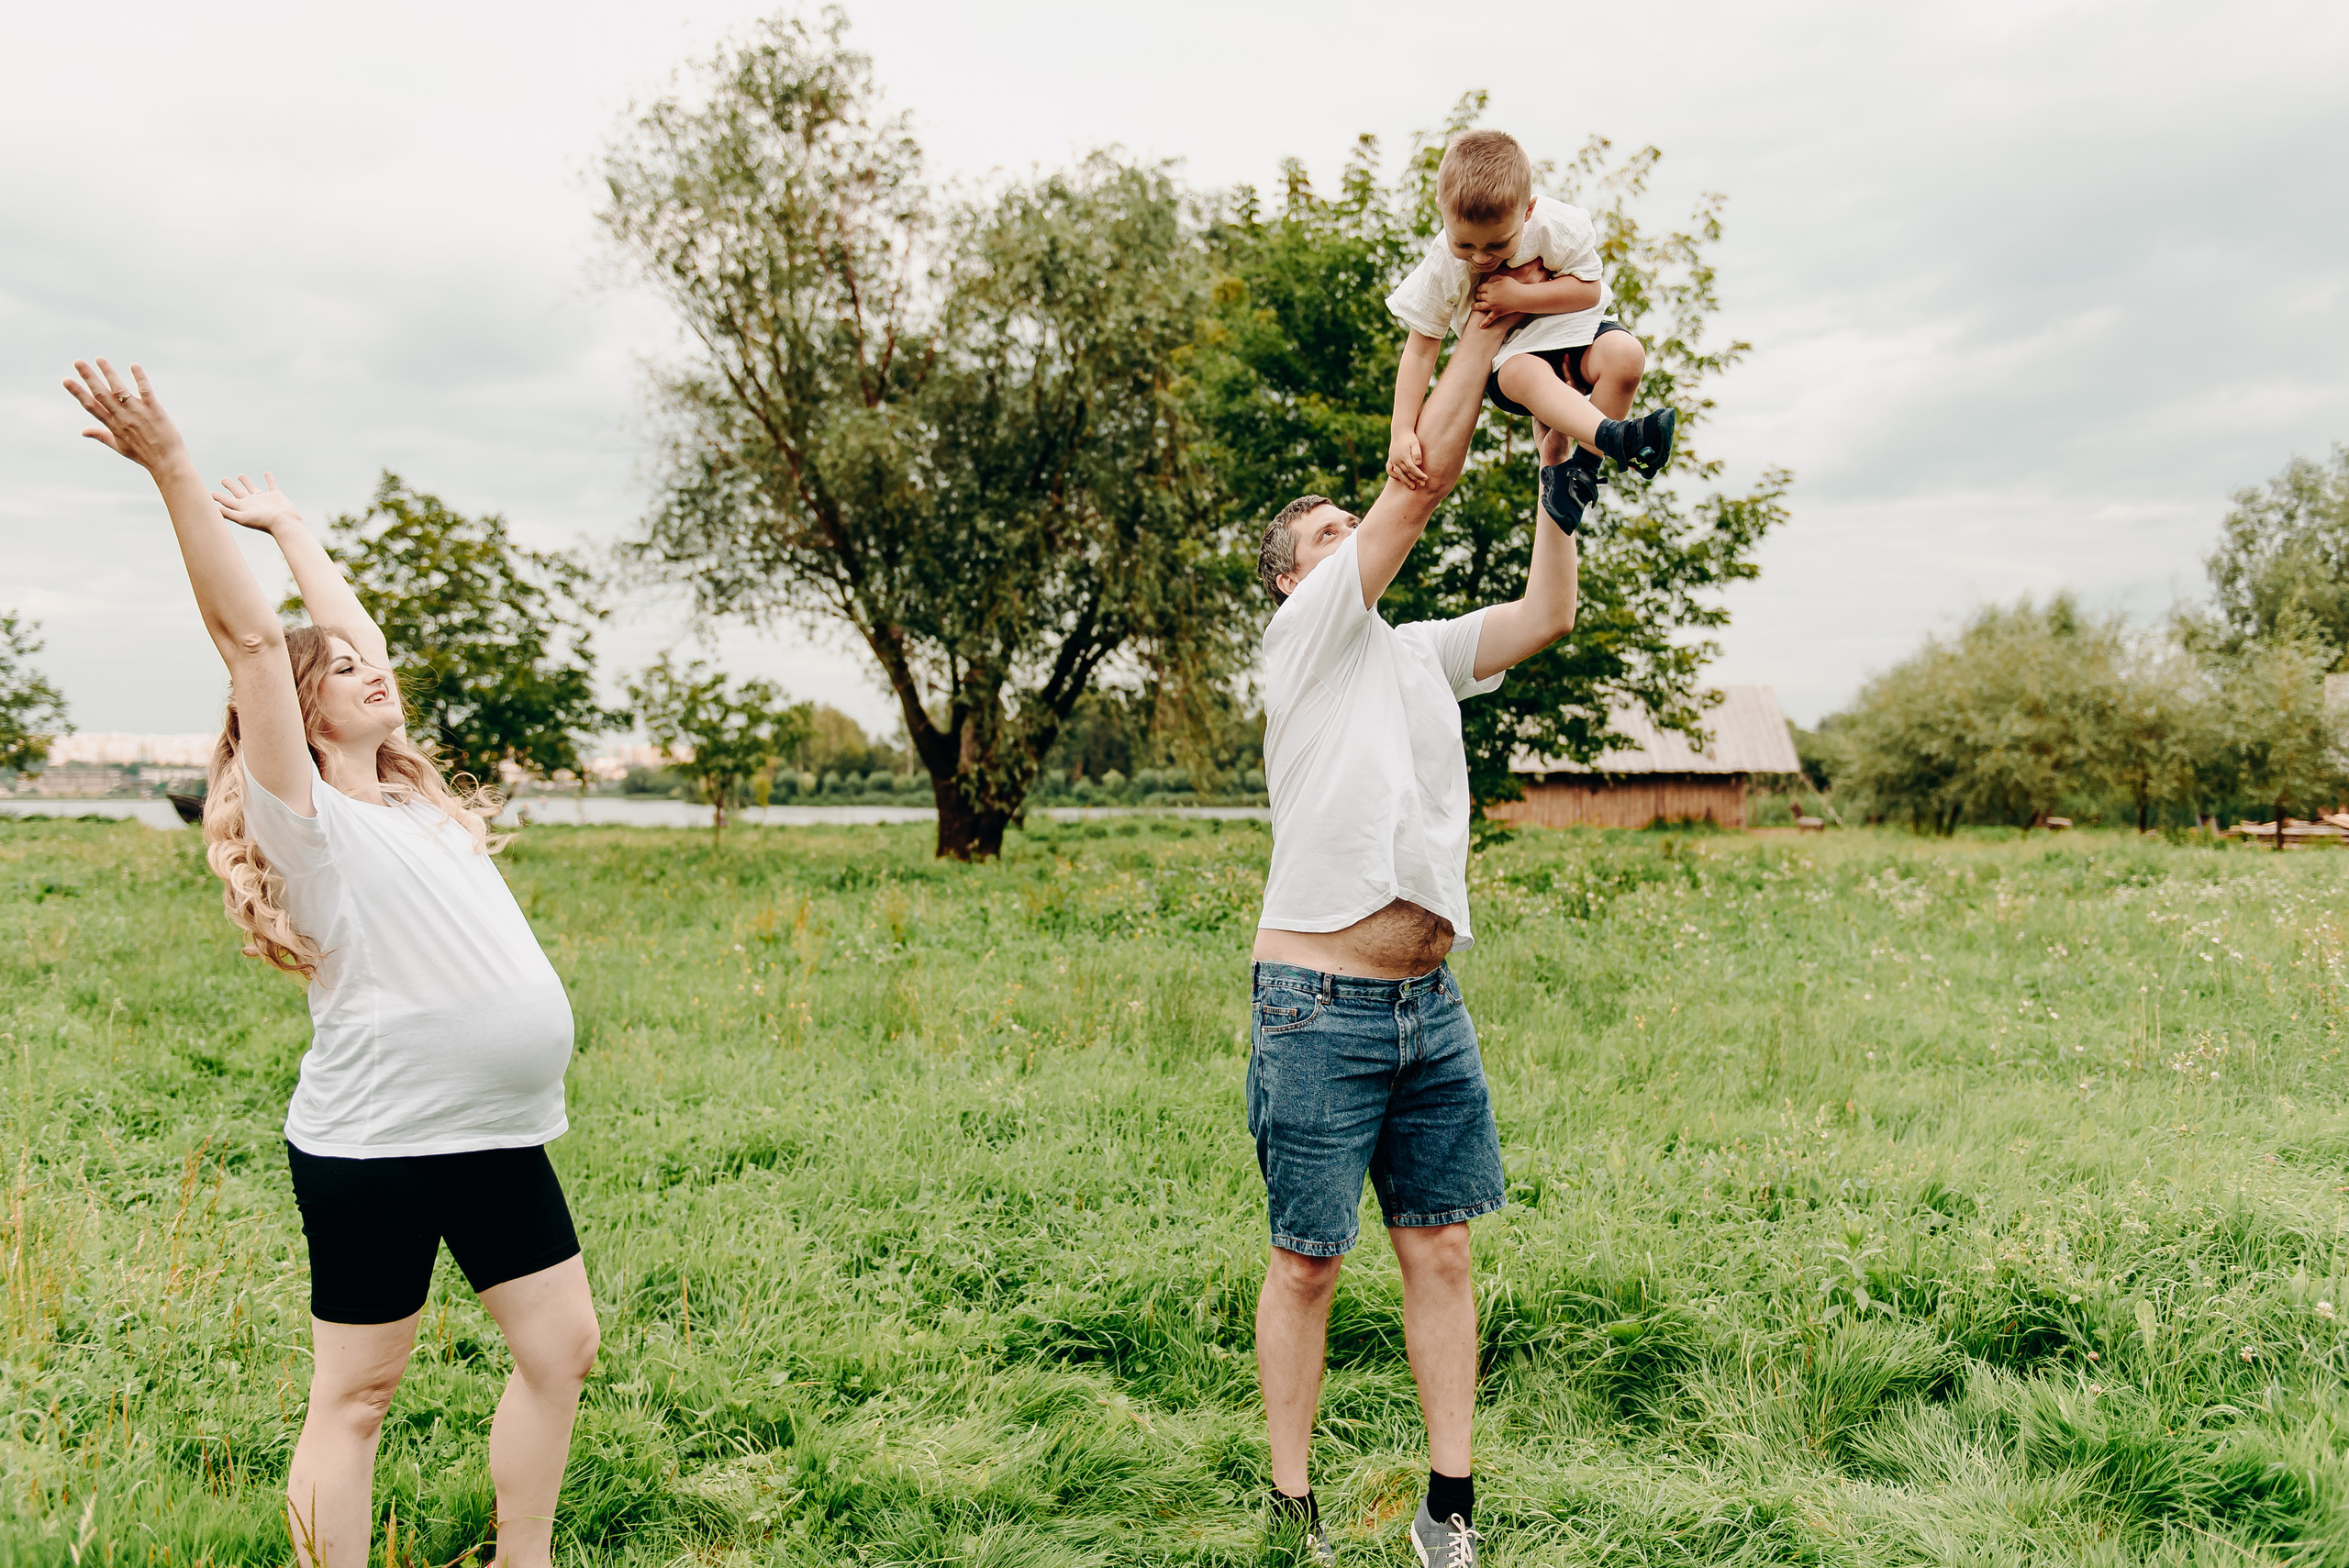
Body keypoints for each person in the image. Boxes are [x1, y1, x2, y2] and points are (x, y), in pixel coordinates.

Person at [61, 360, 598, 1568]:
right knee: (356, 1398)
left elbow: (346, 634)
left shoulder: (408, 797)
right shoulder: (311, 824)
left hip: (495, 1133)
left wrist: (300, 528)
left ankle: (526, 1558)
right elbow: (253, 635)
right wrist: (174, 468)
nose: (368, 667)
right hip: (380, 1142)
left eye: (371, 664)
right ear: (291, 717)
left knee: (561, 1348)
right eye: (339, 670)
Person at [1249, 291, 1580, 1568]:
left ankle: (1451, 1510)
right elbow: (1421, 484)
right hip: (1317, 1003)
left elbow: (1544, 618)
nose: (1358, 528)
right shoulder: (1305, 638)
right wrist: (1478, 329)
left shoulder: (1415, 652)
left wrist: (1560, 481)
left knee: (1440, 1252)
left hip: (1427, 1008)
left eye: (1354, 522)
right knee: (1310, 1264)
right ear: (1297, 575)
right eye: (1332, 529)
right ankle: (1293, 1511)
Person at [1385, 127, 1678, 535]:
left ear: (1527, 210)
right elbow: (1420, 350)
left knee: (1628, 356)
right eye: (1465, 244)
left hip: (1578, 333)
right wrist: (1401, 429)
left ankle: (1581, 472)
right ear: (1442, 208)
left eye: (1498, 245)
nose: (1482, 257)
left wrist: (1519, 297)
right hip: (1515, 358)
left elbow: (1589, 291)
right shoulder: (1443, 264)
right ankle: (1616, 437)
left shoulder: (1554, 225)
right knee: (1525, 372)